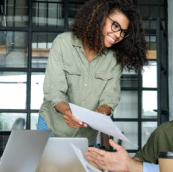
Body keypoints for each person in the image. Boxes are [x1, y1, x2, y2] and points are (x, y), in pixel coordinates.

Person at [37, 0, 147, 145]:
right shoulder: (63, 43)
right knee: (46, 168)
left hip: (86, 137)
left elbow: (110, 99)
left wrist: (101, 113)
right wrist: (67, 111)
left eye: (123, 32)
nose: (117, 35)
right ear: (99, 17)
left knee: (83, 169)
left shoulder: (115, 59)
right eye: (115, 25)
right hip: (51, 128)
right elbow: (54, 91)